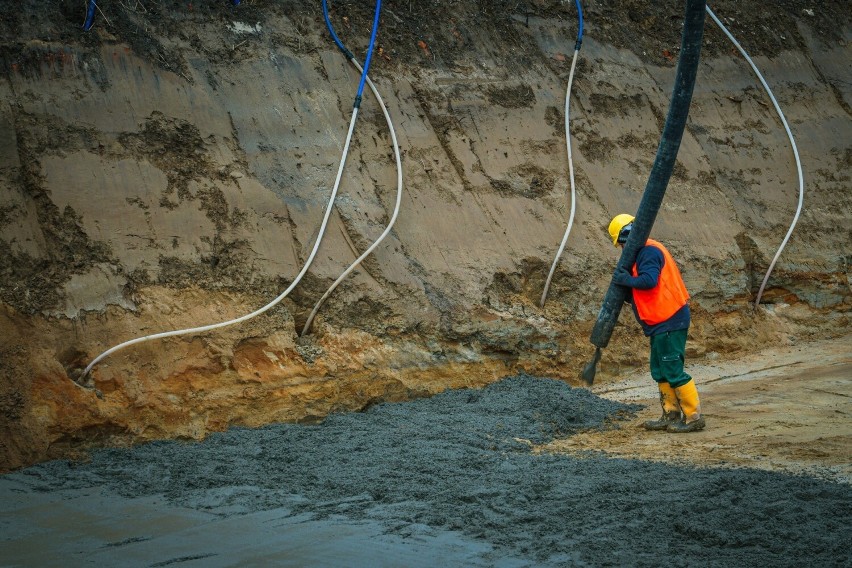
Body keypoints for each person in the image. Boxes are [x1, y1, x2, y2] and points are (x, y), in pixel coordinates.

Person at [607, 213, 706, 433]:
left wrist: (625, 280)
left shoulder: (649, 252)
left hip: (670, 319)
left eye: (620, 244)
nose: (621, 249)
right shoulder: (642, 253)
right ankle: (670, 414)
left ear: (625, 238)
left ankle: (693, 417)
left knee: (672, 369)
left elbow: (649, 281)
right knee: (659, 369)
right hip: (659, 322)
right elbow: (641, 287)